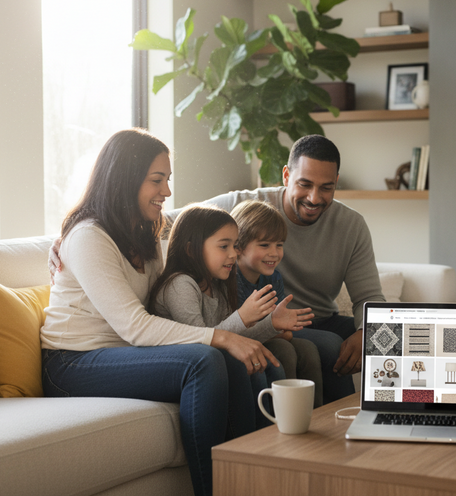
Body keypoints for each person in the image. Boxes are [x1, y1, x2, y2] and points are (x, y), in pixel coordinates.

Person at [49, 134, 386, 402]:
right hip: (255, 319)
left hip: (312, 315)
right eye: (305, 184)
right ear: (287, 175)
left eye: (326, 187)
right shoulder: (243, 204)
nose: (314, 197)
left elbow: (370, 296)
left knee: (388, 336)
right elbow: (188, 223)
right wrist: (69, 236)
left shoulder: (351, 225)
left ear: (337, 183)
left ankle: (374, 427)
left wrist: (364, 332)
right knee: (319, 346)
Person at [40, 128, 278, 496]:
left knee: (230, 361)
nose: (166, 191)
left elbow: (195, 231)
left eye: (167, 179)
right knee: (205, 360)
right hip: (72, 364)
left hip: (121, 354)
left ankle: (250, 483)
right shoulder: (88, 236)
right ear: (125, 178)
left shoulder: (143, 233)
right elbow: (135, 326)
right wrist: (222, 335)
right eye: (157, 180)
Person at [146, 203, 314, 427]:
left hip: (210, 359)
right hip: (184, 368)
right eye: (224, 246)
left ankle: (279, 435)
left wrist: (272, 323)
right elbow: (203, 344)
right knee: (247, 368)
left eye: (235, 246)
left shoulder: (219, 284)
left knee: (268, 364)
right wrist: (243, 317)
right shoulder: (180, 285)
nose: (234, 254)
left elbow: (232, 338)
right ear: (190, 249)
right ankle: (250, 446)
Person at [230, 199, 324, 407]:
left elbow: (284, 329)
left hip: (267, 336)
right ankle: (283, 417)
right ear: (238, 247)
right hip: (242, 341)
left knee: (308, 349)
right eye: (264, 245)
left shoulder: (274, 279)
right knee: (284, 349)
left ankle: (314, 416)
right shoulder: (230, 280)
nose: (274, 253)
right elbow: (239, 329)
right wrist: (276, 328)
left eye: (279, 245)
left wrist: (278, 327)